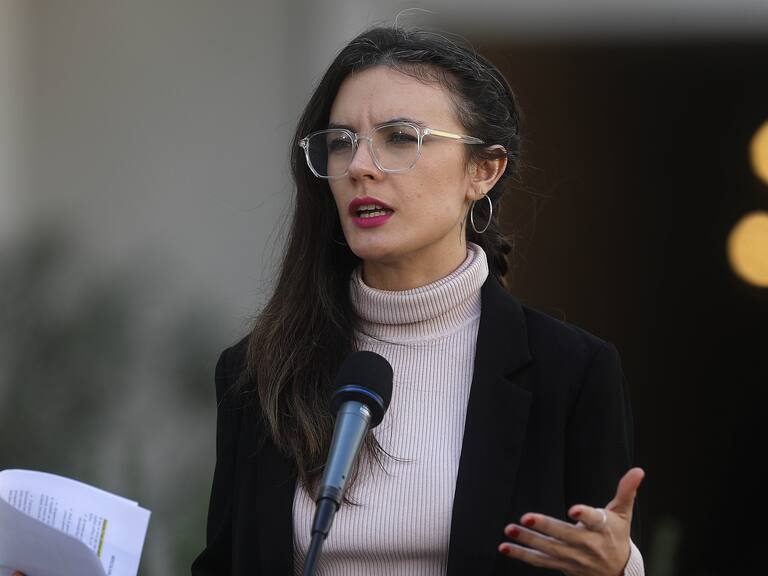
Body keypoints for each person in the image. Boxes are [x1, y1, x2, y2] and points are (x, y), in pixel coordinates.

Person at [190, 24, 646, 576]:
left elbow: (596, 553)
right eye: (340, 142)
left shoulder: (570, 373)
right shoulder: (258, 371)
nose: (359, 166)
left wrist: (620, 568)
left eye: (399, 138)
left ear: (483, 170)